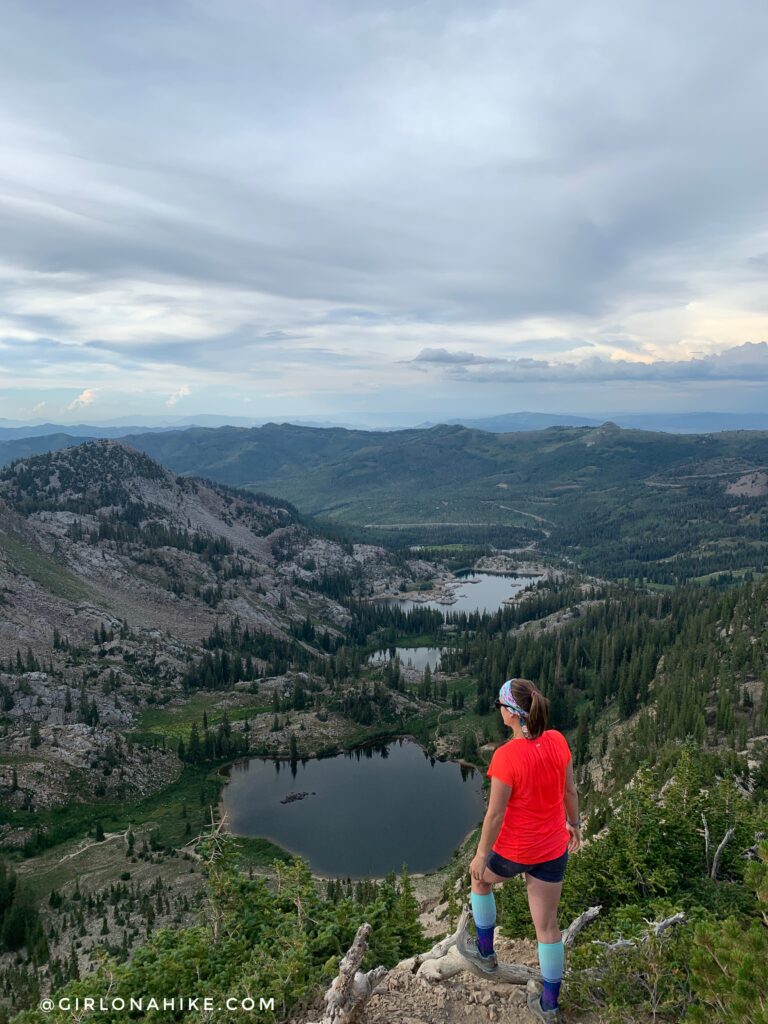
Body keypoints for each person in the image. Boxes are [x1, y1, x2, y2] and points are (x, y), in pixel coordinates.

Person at [462, 678, 581, 1022]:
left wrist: (482, 856)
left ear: (512, 714)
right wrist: (574, 824)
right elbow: (570, 791)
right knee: (548, 929)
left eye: (500, 705)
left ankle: (485, 953)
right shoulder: (558, 740)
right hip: (553, 849)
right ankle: (549, 1006)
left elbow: (496, 814)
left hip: (515, 851)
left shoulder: (506, 756)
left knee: (480, 882)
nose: (498, 711)